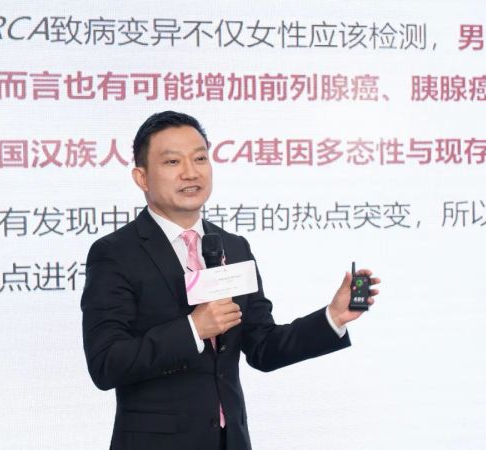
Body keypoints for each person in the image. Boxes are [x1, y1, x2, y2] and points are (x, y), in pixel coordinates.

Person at [81, 111, 380, 450]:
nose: (191, 172)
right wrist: (193, 329)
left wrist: (332, 317)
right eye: (172, 162)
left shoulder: (233, 247)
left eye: (200, 158)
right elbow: (106, 363)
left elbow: (263, 347)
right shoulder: (116, 253)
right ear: (142, 177)